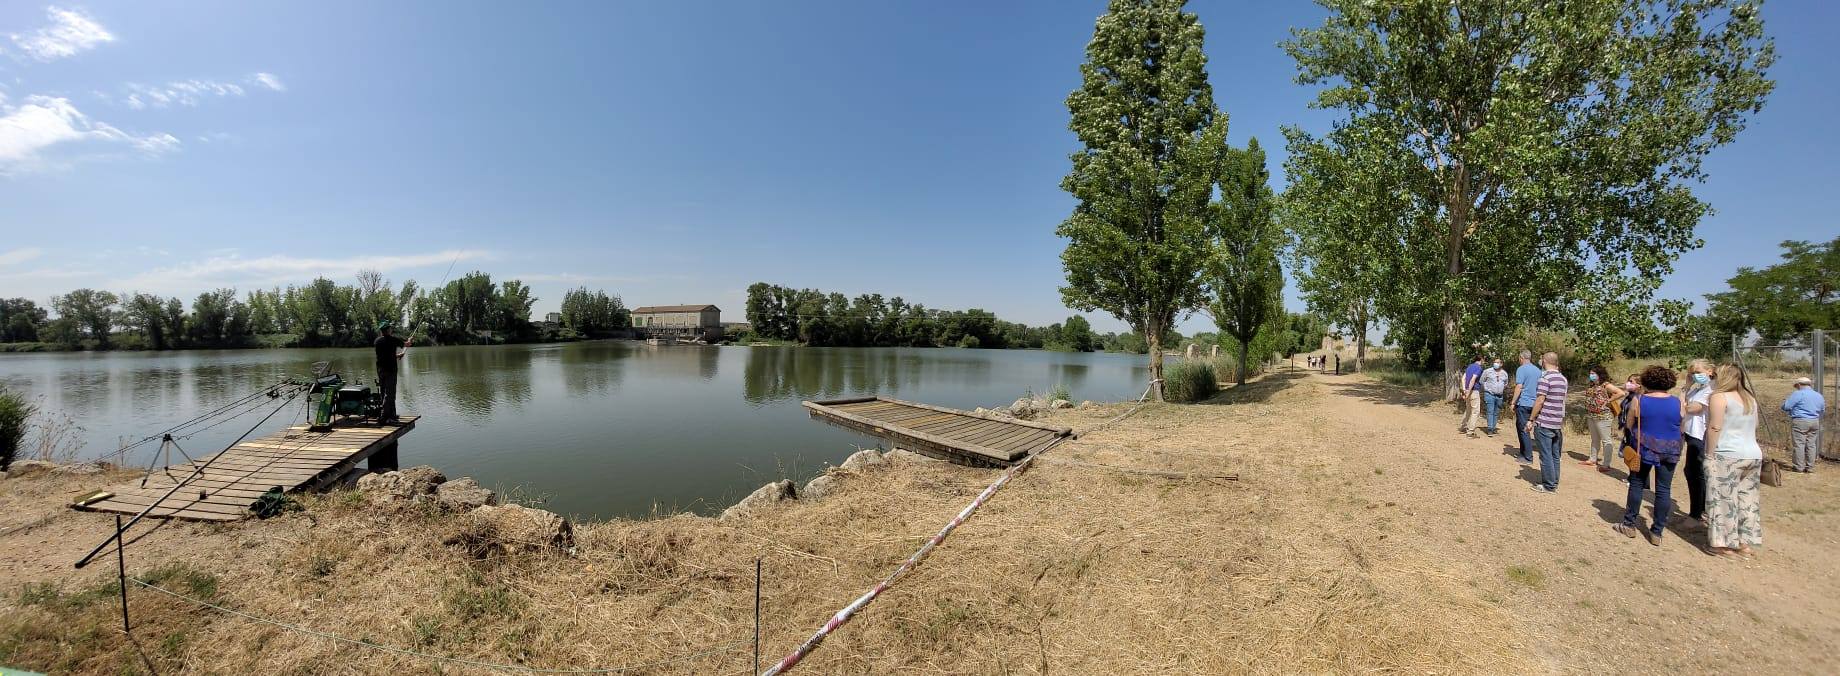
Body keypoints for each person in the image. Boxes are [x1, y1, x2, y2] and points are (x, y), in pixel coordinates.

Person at [1613, 366, 1684, 545]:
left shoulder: (1640, 400)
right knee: (1663, 489)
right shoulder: (1678, 402)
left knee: (1637, 484)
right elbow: (1681, 426)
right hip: (1670, 449)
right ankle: (1657, 532)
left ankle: (1629, 524)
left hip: (1644, 447)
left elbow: (1629, 424)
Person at [1705, 364, 1763, 558]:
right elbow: (1755, 425)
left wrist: (1710, 454)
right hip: (1752, 454)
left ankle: (1722, 544)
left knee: (1722, 501)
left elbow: (1715, 426)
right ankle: (1744, 543)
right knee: (1747, 500)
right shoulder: (1749, 398)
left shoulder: (1719, 397)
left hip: (1727, 454)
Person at [1524, 352, 1569, 493]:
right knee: (1555, 455)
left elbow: (1540, 400)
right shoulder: (1563, 379)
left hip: (1544, 422)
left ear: (1544, 361)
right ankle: (1553, 481)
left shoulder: (1545, 378)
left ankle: (1548, 485)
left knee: (1545, 455)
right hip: (1557, 423)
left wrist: (1531, 419)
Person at [1681, 359, 1715, 528]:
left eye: (1698, 372)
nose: (1695, 375)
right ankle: (1698, 511)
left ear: (1710, 371)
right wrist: (1687, 389)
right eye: (1692, 373)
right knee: (1691, 472)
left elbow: (1689, 408)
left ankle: (1699, 514)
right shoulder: (1699, 388)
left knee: (1698, 474)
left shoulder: (1711, 389)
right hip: (1691, 434)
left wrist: (1684, 394)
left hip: (1700, 436)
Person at [1783, 376, 1826, 473]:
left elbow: (1786, 406)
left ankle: (1799, 467)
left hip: (1800, 421)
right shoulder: (1818, 395)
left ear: (1798, 385)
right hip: (1815, 421)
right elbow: (1822, 409)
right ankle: (1810, 467)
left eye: (1796, 386)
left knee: (1799, 444)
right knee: (1811, 444)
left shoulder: (1798, 394)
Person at [1581, 366, 1620, 471]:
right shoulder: (1593, 385)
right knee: (1594, 439)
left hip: (1603, 416)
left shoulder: (1606, 385)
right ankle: (1592, 459)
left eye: (1593, 373)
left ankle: (1606, 464)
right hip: (1592, 415)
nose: (1591, 375)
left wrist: (1608, 401)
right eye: (1590, 373)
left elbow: (1620, 393)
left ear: (1600, 374)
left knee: (1606, 440)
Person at [374, 321, 410, 423]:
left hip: (380, 370)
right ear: (388, 330)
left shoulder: (377, 341)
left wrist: (398, 355)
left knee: (384, 391)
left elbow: (385, 356)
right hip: (390, 370)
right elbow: (406, 344)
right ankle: (384, 417)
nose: (391, 329)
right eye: (390, 328)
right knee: (390, 393)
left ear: (381, 331)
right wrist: (409, 341)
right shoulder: (393, 340)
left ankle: (392, 414)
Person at [1510, 350, 1542, 465]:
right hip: (1534, 404)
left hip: (1523, 403)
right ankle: (1523, 453)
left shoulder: (1521, 369)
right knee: (1524, 428)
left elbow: (1519, 386)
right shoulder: (1538, 370)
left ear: (1521, 357)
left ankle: (1528, 457)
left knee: (1523, 430)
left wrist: (1513, 402)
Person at [1480, 357, 1509, 436]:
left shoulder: (1504, 373)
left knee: (1496, 412)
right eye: (1495, 362)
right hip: (1490, 394)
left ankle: (1493, 427)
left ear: (1501, 364)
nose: (1495, 364)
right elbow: (1481, 381)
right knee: (1490, 411)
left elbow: (1506, 383)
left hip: (1499, 396)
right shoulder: (1487, 371)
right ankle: (1489, 429)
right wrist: (1486, 388)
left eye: (1498, 362)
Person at [1459, 355, 1485, 437]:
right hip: (1473, 391)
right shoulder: (1479, 368)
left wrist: (1464, 390)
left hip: (1467, 390)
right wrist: (1469, 391)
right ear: (1481, 359)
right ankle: (1470, 432)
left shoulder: (1469, 366)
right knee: (1475, 412)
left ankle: (1463, 427)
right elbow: (1473, 379)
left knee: (1468, 410)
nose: (1484, 361)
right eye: (1484, 359)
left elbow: (1463, 378)